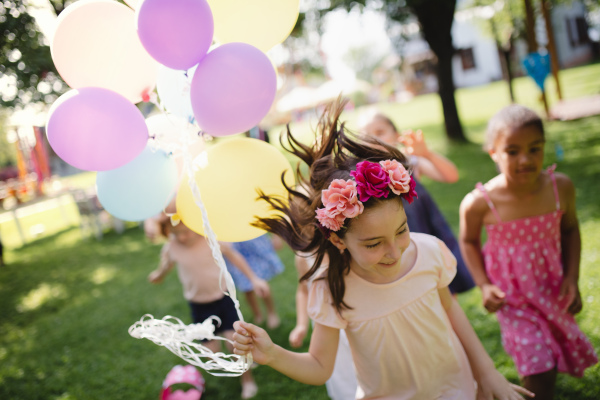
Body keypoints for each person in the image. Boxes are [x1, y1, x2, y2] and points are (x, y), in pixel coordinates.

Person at [230, 99, 533, 399]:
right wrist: (272, 354)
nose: (395, 251)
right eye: (373, 243)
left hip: (456, 391)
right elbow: (321, 366)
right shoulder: (331, 289)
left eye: (402, 230)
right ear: (338, 240)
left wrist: (487, 373)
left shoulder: (429, 252)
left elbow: (452, 312)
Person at [459, 104, 598, 399]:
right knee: (538, 369)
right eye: (512, 151)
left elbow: (571, 229)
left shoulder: (561, 188)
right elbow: (468, 241)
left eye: (535, 149)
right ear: (493, 153)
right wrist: (484, 284)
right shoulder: (480, 203)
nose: (525, 159)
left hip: (552, 288)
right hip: (512, 298)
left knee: (557, 350)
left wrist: (572, 278)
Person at [148, 215, 271, 399]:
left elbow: (234, 256)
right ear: (168, 231)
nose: (182, 237)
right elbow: (165, 266)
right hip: (199, 306)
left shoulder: (209, 238)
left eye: (186, 231)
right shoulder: (171, 247)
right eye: (176, 233)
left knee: (235, 344)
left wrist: (254, 279)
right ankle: (237, 365)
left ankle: (247, 380)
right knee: (211, 354)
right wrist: (159, 274)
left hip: (223, 299)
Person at [360, 112, 475, 294]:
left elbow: (451, 176)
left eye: (380, 131)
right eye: (367, 136)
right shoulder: (364, 175)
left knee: (442, 285)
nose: (375, 139)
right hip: (396, 242)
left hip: (425, 232)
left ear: (396, 135)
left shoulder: (410, 161)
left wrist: (427, 154)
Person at [290, 253, 358, 400]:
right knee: (343, 374)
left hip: (356, 323)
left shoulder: (348, 249)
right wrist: (301, 325)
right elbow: (303, 291)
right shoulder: (304, 257)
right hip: (327, 331)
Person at [225, 234, 284, 329]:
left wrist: (276, 236)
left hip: (253, 243)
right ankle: (257, 313)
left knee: (261, 283)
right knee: (246, 287)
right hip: (233, 247)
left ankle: (271, 312)